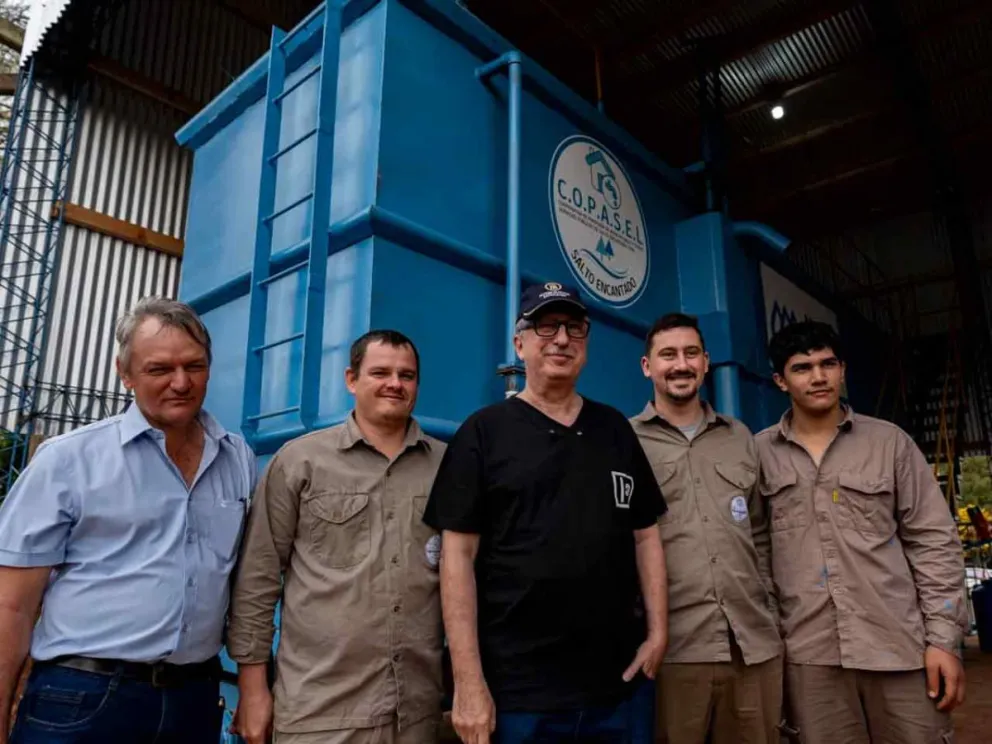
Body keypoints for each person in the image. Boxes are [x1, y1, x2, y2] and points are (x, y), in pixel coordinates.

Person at [0, 297, 256, 744]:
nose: (181, 383)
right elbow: (12, 606)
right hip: (82, 698)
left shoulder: (237, 459)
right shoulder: (68, 460)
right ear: (125, 374)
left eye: (194, 366)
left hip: (193, 698)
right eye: (159, 369)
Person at [423, 282, 669, 744]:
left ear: (587, 342)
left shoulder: (614, 428)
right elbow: (456, 558)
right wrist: (469, 683)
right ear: (520, 343)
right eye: (545, 326)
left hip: (618, 689)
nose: (561, 339)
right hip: (518, 698)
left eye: (574, 328)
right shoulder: (483, 433)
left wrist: (658, 633)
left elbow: (645, 535)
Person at [228, 330, 447, 744]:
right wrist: (253, 689)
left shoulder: (447, 465)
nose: (394, 384)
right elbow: (256, 580)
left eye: (407, 375)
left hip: (416, 713)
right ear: (351, 379)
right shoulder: (300, 462)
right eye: (380, 372)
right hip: (322, 713)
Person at [756, 320, 968, 744]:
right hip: (808, 660)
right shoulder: (758, 454)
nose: (818, 377)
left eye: (827, 364)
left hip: (897, 650)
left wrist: (944, 640)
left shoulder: (890, 444)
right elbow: (756, 556)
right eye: (802, 368)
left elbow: (934, 543)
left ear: (842, 370)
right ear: (781, 380)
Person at [629, 313, 783, 744]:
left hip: (751, 649)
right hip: (673, 654)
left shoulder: (739, 437)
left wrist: (769, 614)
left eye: (691, 353)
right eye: (668, 355)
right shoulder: (624, 443)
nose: (681, 364)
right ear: (647, 367)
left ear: (706, 362)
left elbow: (760, 534)